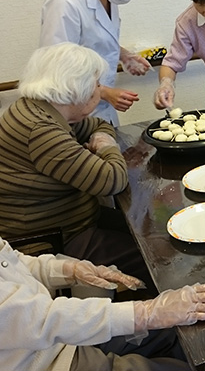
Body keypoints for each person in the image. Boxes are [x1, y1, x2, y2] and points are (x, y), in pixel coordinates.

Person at [0, 42, 151, 288]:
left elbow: (101, 126)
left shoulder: (41, 108)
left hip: (73, 217)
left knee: (148, 229)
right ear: (76, 90)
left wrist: (102, 140)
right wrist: (106, 147)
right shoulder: (40, 130)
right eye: (96, 84)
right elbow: (112, 180)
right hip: (54, 238)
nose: (100, 90)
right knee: (153, 258)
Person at [0, 235, 205, 371]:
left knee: (174, 333)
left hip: (57, 338)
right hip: (43, 362)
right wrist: (145, 312)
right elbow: (41, 319)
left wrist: (66, 270)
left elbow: (14, 260)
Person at [40, 0, 153, 126]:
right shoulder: (64, 2)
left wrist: (124, 55)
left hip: (101, 111)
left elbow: (93, 37)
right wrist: (104, 92)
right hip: (72, 112)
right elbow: (55, 69)